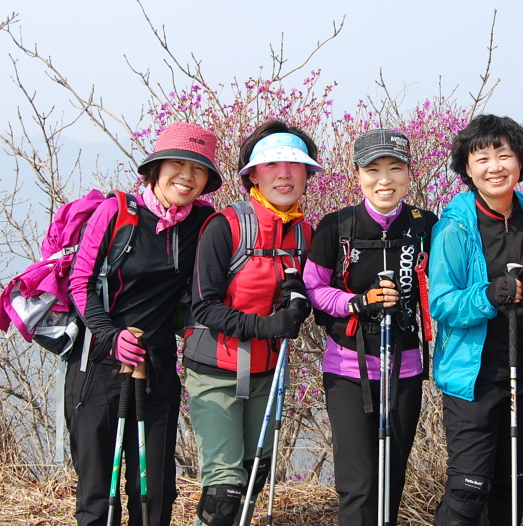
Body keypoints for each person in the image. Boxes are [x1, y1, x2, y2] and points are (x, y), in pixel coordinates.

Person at [66, 121, 222, 526]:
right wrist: (110, 335)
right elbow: (80, 283)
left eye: (198, 169)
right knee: (98, 492)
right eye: (177, 164)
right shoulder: (115, 213)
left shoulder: (203, 223)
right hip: (98, 369)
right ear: (155, 169)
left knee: (154, 494)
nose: (187, 177)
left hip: (156, 370)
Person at [184, 120, 322, 526]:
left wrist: (299, 304)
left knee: (255, 474)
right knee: (224, 491)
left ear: (307, 174)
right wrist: (268, 326)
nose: (284, 173)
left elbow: (305, 302)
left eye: (295, 165)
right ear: (252, 175)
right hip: (216, 371)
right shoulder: (224, 226)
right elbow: (204, 306)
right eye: (272, 164)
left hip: (267, 371)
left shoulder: (304, 234)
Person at [305, 128, 438, 525]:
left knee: (391, 478)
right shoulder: (336, 226)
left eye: (395, 168)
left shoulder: (425, 225)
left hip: (406, 366)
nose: (385, 180)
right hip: (347, 369)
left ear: (409, 174)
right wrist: (356, 303)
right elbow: (314, 287)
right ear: (357, 174)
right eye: (373, 169)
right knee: (358, 481)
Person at [429, 114, 523, 526]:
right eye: (482, 157)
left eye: (504, 154)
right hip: (473, 376)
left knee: (512, 486)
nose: (494, 166)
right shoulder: (454, 226)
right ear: (467, 168)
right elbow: (441, 304)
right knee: (468, 490)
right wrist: (488, 295)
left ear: (520, 162)